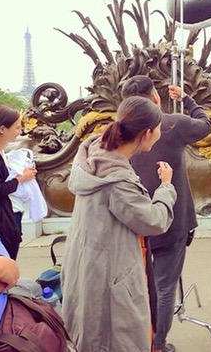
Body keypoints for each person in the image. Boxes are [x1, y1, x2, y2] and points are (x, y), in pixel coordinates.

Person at [61, 96, 177, 352]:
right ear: (147, 133)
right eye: (159, 129)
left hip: (86, 266)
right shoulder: (117, 181)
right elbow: (154, 220)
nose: (160, 134)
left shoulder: (95, 156)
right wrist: (166, 187)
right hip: (109, 277)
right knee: (112, 339)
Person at [121, 76, 211, 352]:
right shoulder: (172, 124)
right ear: (155, 97)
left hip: (134, 222)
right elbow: (206, 125)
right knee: (164, 287)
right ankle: (157, 344)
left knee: (135, 287)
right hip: (172, 221)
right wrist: (186, 98)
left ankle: (139, 339)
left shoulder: (118, 133)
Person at [0, 106, 37, 260]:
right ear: (2, 129)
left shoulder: (3, 152)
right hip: (4, 220)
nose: (20, 132)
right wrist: (21, 178)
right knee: (6, 265)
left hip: (10, 215)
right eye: (17, 127)